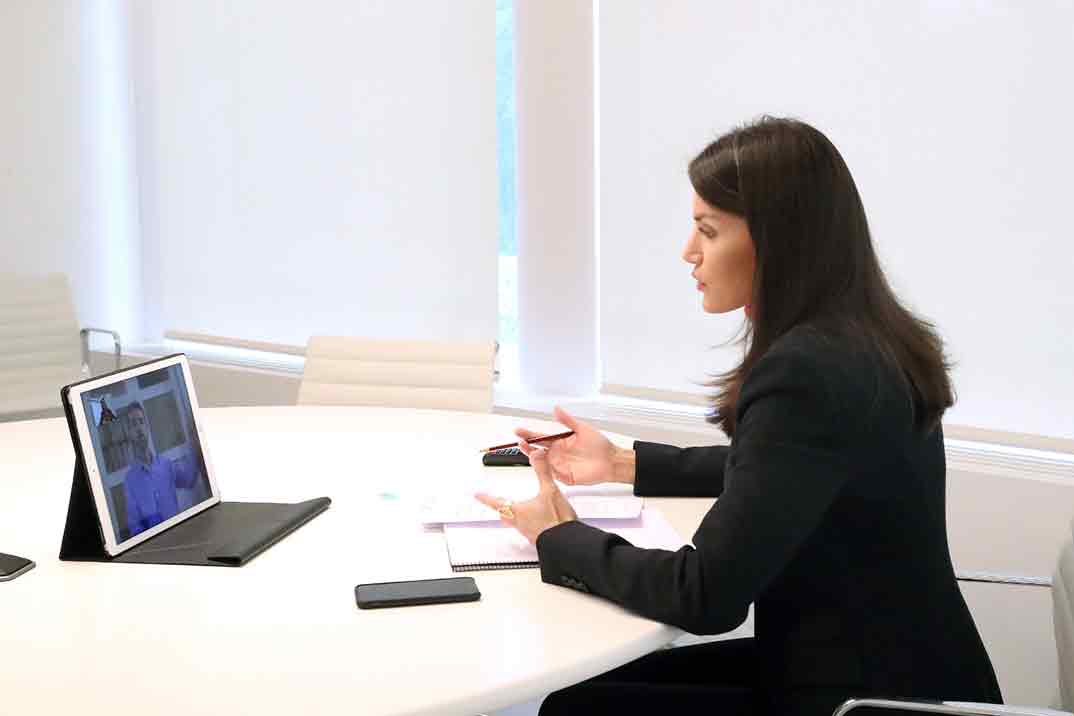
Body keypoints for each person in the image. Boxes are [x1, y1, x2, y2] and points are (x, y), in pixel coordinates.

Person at [476, 117, 1001, 716]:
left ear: (778, 242)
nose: (688, 252)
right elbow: (787, 468)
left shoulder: (808, 371)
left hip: (865, 701)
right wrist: (622, 462)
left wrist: (556, 537)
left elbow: (704, 597)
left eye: (708, 230)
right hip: (892, 666)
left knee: (574, 709)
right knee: (580, 697)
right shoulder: (865, 337)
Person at [122, 402, 201, 538]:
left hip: (180, 536)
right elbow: (135, 526)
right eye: (133, 424)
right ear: (129, 433)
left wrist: (195, 442)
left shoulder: (166, 464)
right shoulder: (130, 480)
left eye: (141, 422)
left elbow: (189, 480)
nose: (139, 428)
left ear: (147, 427)